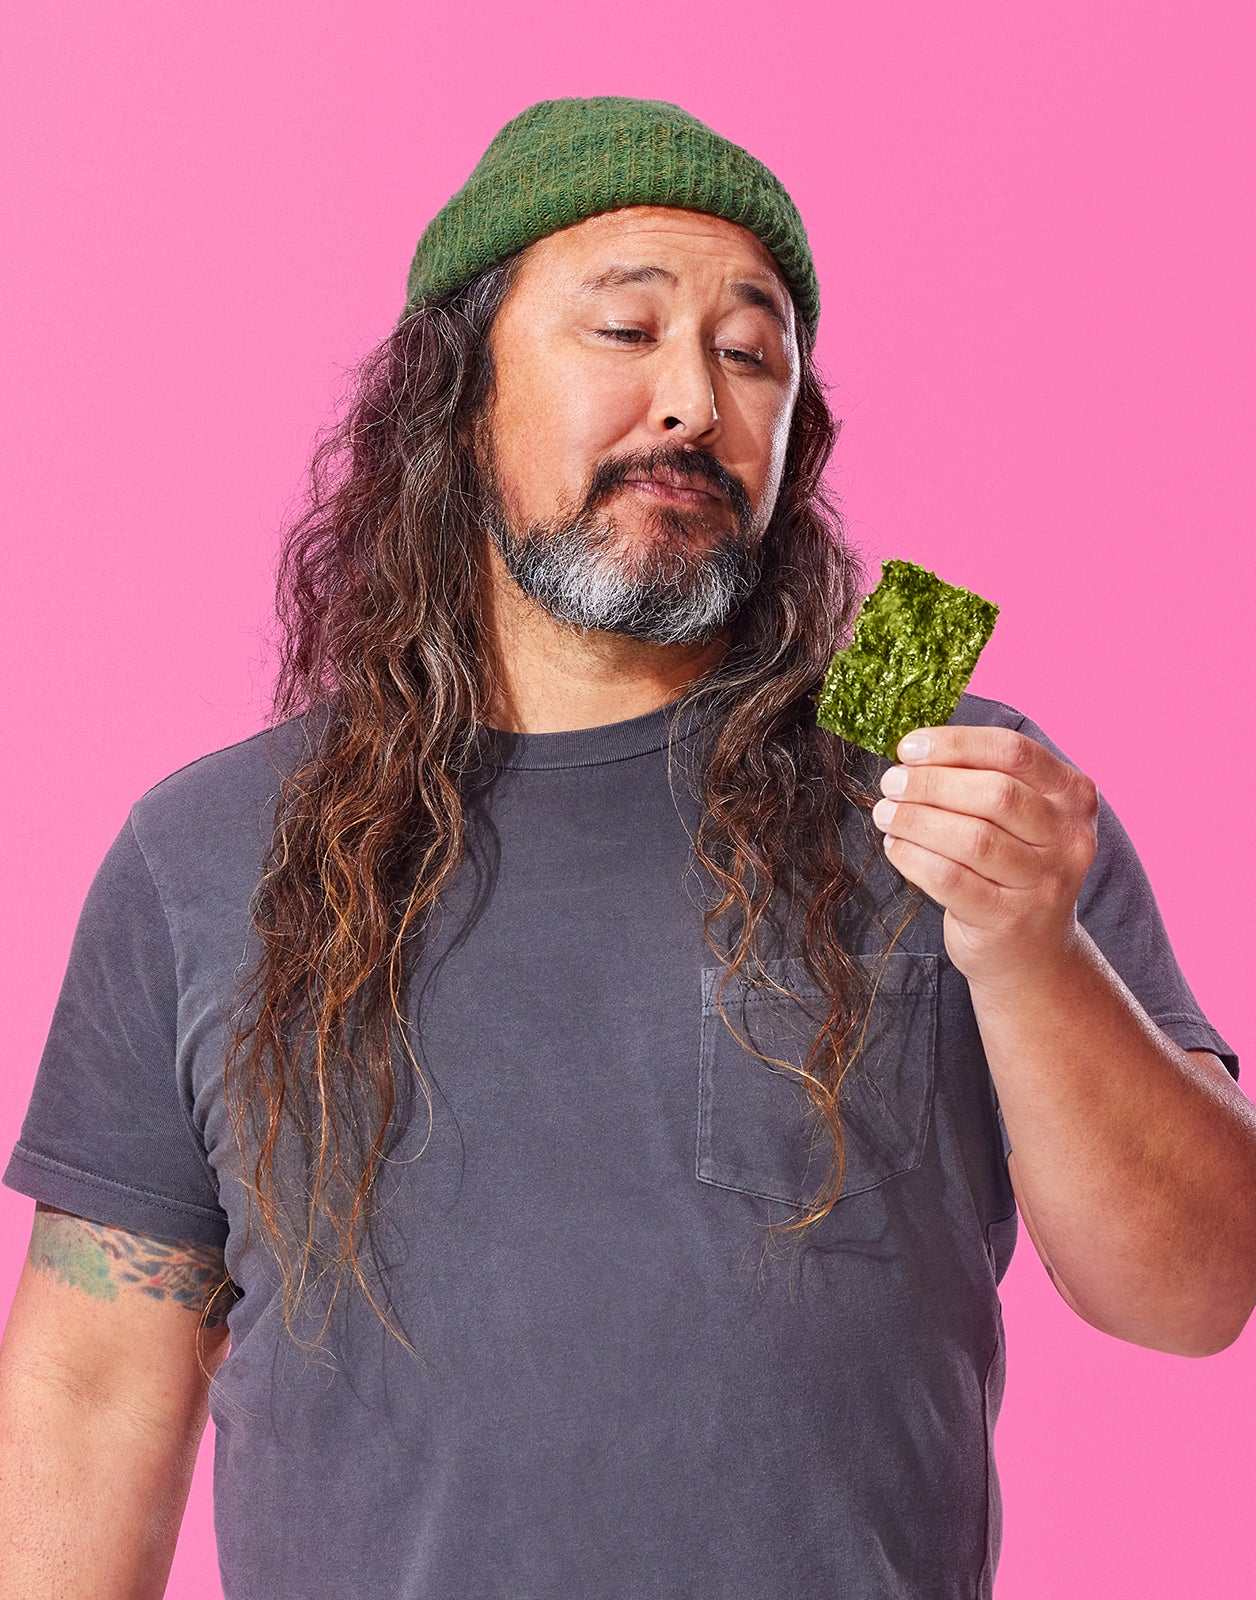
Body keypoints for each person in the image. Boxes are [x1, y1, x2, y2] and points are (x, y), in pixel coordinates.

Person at [0, 96, 1250, 1600]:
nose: (692, 404)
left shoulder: (960, 785)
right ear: (455, 397)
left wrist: (1029, 948)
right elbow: (88, 1397)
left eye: (750, 354)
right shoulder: (209, 848)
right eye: (624, 331)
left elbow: (1195, 1293)